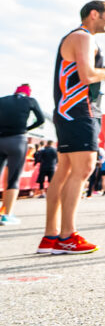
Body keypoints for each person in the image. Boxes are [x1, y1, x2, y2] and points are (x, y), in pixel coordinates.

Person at [41, 0, 105, 255]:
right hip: (80, 113)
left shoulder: (78, 37)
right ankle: (67, 236)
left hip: (69, 111)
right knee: (83, 169)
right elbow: (87, 76)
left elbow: (83, 75)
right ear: (94, 14)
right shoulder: (83, 36)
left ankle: (51, 236)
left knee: (65, 171)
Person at [0, 84, 45, 226]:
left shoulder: (2, 100)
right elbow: (41, 119)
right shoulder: (30, 101)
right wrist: (26, 128)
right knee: (13, 179)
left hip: (0, 139)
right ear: (28, 92)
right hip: (17, 140)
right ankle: (6, 215)